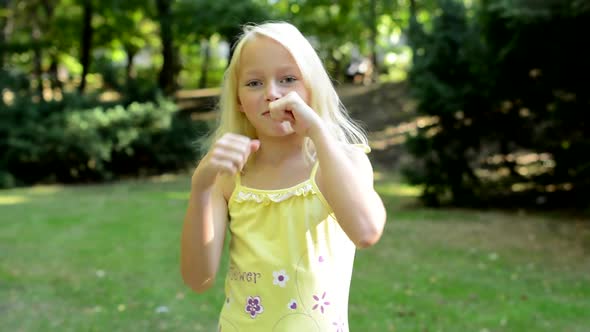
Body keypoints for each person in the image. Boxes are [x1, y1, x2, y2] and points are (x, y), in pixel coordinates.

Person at [180, 21, 387, 331]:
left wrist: (317, 131)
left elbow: (367, 231)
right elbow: (198, 279)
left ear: (312, 88)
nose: (272, 94)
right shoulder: (227, 176)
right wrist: (201, 189)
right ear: (238, 100)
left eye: (288, 79)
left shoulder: (342, 161)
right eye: (253, 83)